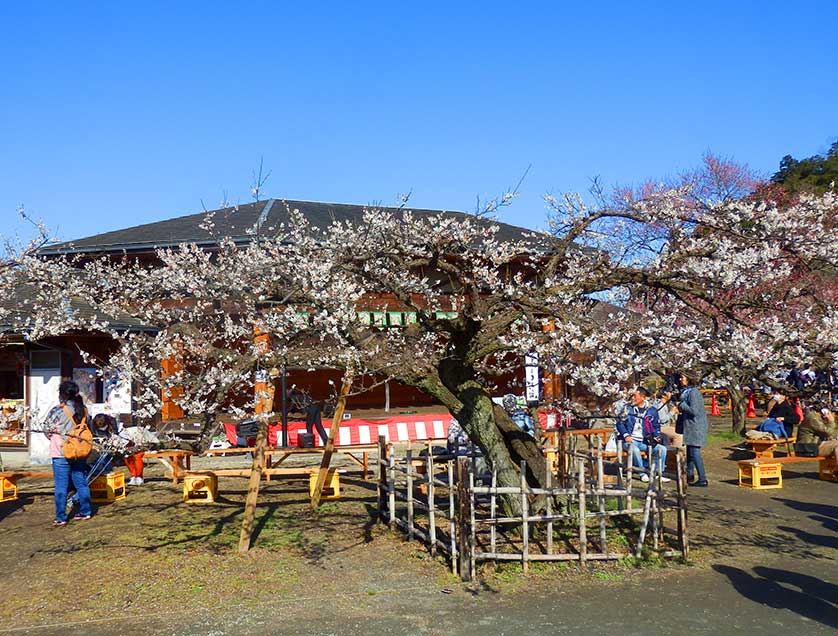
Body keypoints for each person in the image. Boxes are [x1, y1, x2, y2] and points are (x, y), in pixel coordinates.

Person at [42, 381, 92, 526]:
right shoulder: (84, 410)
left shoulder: (57, 410)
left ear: (62, 394)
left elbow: (46, 429)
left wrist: (56, 438)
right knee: (81, 482)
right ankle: (85, 511)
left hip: (61, 451)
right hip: (80, 451)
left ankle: (61, 516)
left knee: (61, 486)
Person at [616, 387, 668, 483]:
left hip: (645, 441)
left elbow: (656, 426)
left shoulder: (652, 410)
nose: (633, 398)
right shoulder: (627, 409)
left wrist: (656, 435)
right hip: (630, 441)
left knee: (662, 449)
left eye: (635, 396)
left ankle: (657, 473)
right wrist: (626, 435)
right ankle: (642, 473)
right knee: (634, 449)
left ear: (643, 397)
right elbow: (619, 423)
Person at [676, 372, 709, 487]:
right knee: (690, 452)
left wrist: (681, 405)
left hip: (696, 426)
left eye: (683, 377)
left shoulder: (693, 393)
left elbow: (694, 411)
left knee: (694, 452)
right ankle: (689, 475)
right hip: (690, 426)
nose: (680, 379)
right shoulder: (686, 392)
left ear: (689, 379)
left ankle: (702, 478)